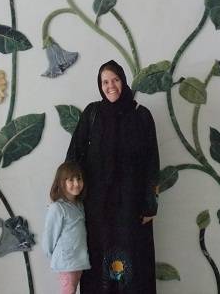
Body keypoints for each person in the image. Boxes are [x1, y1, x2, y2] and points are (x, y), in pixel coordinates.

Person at [66, 60, 160, 293]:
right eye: (105, 82)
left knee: (134, 267)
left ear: (123, 81)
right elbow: (73, 157)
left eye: (115, 80)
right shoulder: (92, 114)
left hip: (132, 208)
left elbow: (152, 162)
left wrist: (150, 206)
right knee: (98, 269)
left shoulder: (142, 116)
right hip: (97, 209)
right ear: (100, 85)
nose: (111, 86)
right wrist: (70, 197)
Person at [42, 161, 91, 294]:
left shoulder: (79, 205)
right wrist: (57, 257)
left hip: (79, 261)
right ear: (61, 182)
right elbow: (49, 237)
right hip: (67, 263)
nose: (76, 183)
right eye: (71, 180)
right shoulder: (57, 208)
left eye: (79, 178)